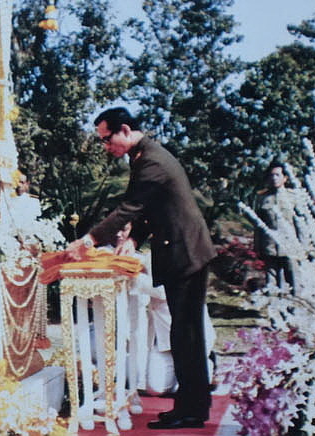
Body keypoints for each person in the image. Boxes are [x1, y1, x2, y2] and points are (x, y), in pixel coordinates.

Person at [66, 107, 216, 430]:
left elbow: (129, 208)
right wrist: (134, 238)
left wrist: (88, 240)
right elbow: (149, 208)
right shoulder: (143, 157)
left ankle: (191, 410)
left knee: (186, 335)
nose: (106, 146)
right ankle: (193, 406)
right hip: (182, 251)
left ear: (124, 130)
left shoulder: (152, 161)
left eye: (107, 139)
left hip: (185, 254)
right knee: (184, 333)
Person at [254, 161, 296, 287]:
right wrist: (257, 245)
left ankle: (294, 299)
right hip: (270, 245)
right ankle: (273, 298)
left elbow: (300, 224)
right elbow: (258, 224)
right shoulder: (262, 198)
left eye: (277, 175)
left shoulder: (294, 197)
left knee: (293, 278)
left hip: (290, 245)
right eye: (271, 175)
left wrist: (306, 246)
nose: (274, 178)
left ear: (285, 178)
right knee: (271, 279)